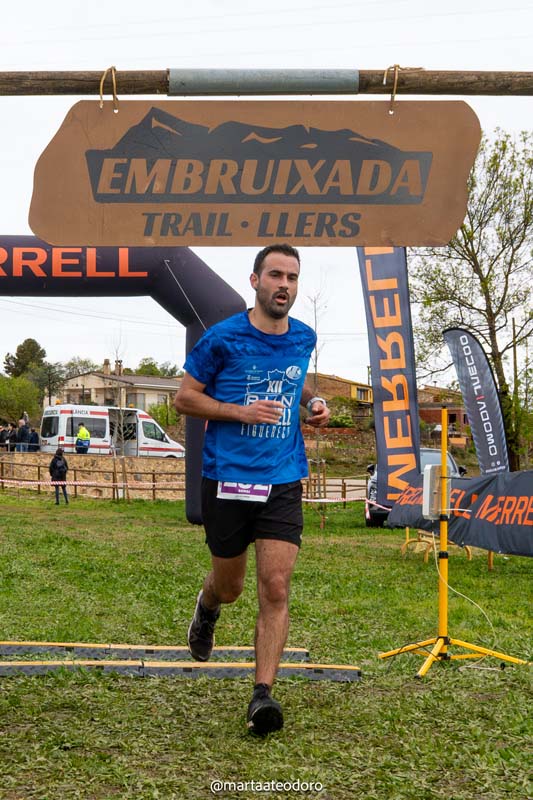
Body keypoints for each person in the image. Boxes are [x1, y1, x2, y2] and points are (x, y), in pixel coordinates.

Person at [174, 243, 330, 735]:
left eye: (292, 277)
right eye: (276, 275)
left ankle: (262, 695)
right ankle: (208, 605)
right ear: (255, 281)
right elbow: (184, 398)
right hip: (227, 476)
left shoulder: (303, 337)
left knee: (276, 586)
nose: (284, 285)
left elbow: (296, 379)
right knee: (232, 587)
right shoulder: (222, 339)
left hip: (282, 477)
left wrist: (313, 403)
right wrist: (239, 412)